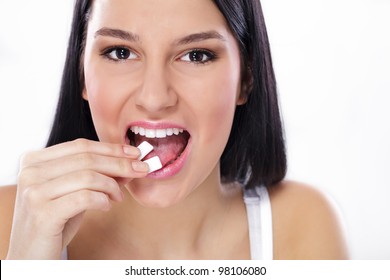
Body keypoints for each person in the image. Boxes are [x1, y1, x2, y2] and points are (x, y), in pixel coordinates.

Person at [0, 0, 347, 260]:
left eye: (196, 55)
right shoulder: (11, 223)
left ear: (246, 79)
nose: (154, 98)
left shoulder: (304, 226)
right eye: (121, 52)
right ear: (82, 75)